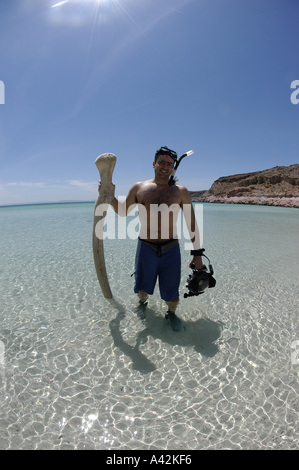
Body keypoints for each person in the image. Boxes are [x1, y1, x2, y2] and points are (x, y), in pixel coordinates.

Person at [100, 146, 203, 331]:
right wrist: (108, 195)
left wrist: (197, 255)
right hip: (145, 248)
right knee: (142, 288)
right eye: (161, 162)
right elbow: (122, 211)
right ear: (154, 164)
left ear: (173, 167)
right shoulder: (139, 187)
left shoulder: (180, 191)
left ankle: (171, 313)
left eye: (169, 164)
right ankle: (142, 304)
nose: (164, 166)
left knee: (172, 294)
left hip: (171, 249)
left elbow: (192, 224)